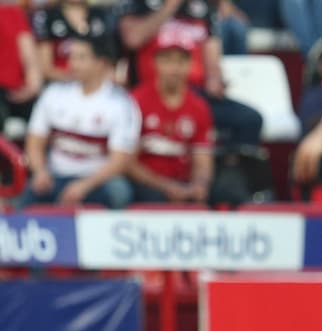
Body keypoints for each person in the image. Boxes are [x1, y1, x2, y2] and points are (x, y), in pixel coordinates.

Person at [117, 0, 264, 150]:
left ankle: (227, 164)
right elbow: (132, 39)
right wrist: (170, 6)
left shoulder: (203, 8)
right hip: (151, 92)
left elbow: (213, 60)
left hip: (195, 93)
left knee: (249, 119)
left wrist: (215, 79)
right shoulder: (138, 4)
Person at [22, 35, 139, 209]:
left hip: (98, 181)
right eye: (72, 57)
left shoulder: (120, 103)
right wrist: (40, 171)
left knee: (118, 191)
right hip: (55, 177)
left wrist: (84, 186)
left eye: (81, 58)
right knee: (25, 194)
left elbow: (120, 161)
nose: (73, 64)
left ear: (100, 63)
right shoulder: (53, 93)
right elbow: (34, 142)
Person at [128, 31, 215, 204]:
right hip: (147, 184)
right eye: (167, 61)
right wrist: (166, 187)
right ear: (156, 62)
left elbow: (202, 158)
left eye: (181, 61)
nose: (174, 68)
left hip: (183, 183)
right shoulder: (136, 101)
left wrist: (199, 185)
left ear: (190, 64)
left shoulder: (199, 107)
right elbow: (127, 162)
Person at [31, 0, 111, 84]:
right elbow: (45, 68)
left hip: (99, 83)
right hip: (62, 84)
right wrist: (75, 79)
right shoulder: (47, 16)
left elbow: (109, 58)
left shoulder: (100, 14)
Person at [0, 0, 42, 124]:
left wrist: (33, 84)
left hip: (11, 93)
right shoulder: (11, 12)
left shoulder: (11, 12)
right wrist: (34, 83)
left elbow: (27, 49)